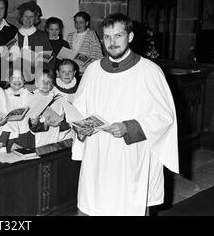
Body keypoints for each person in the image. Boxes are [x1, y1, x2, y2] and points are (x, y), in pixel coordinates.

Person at [71, 13, 179, 216]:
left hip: (131, 155)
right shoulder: (93, 70)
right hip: (98, 154)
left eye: (118, 36)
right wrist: (81, 129)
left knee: (129, 206)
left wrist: (128, 127)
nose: (112, 42)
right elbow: (78, 111)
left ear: (129, 37)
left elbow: (164, 117)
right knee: (92, 205)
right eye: (107, 37)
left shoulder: (149, 71)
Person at [11, 1, 55, 86]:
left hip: (37, 77)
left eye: (31, 17)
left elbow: (50, 58)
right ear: (21, 17)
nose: (28, 20)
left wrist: (38, 61)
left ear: (35, 18)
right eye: (26, 16)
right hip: (18, 78)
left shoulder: (42, 36)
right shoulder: (15, 35)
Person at [28, 69, 73, 148]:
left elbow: (66, 124)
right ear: (36, 83)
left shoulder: (59, 99)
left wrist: (64, 121)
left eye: (49, 82)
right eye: (42, 81)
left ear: (52, 85)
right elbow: (31, 127)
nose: (45, 84)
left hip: (56, 140)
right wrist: (38, 123)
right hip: (38, 142)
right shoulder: (31, 99)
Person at [4, 68, 34, 150]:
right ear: (8, 79)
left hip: (26, 135)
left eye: (20, 78)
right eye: (13, 78)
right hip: (8, 136)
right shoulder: (2, 96)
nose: (17, 80)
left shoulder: (30, 96)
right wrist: (8, 143)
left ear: (24, 80)